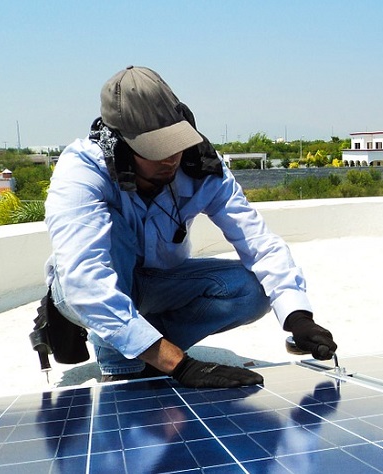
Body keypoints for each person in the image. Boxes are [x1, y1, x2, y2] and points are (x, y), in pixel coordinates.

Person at [43, 66, 337, 388]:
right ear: (122, 145)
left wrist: (298, 316)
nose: (171, 157)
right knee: (113, 237)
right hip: (87, 285)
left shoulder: (202, 166)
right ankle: (123, 360)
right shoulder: (81, 170)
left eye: (176, 142)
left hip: (160, 281)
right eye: (156, 150)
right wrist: (180, 366)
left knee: (252, 292)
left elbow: (257, 240)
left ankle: (145, 345)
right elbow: (86, 279)